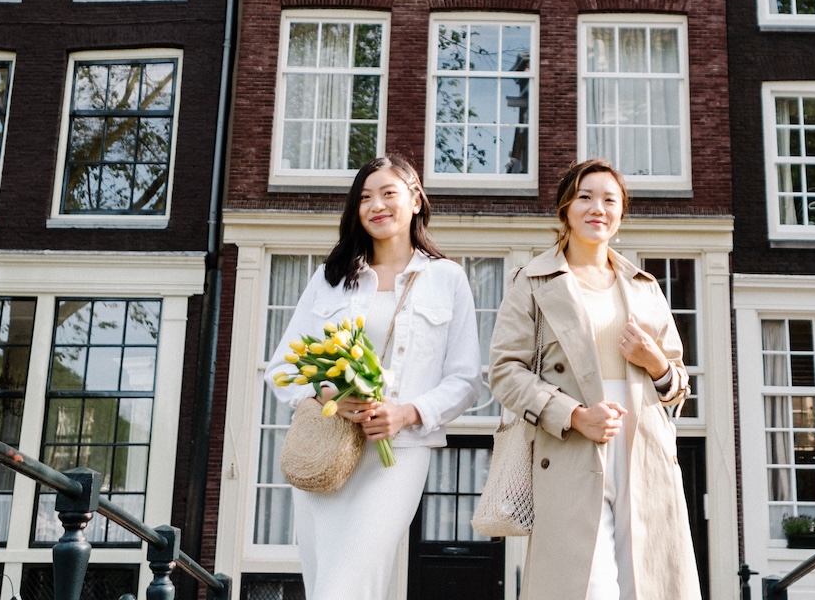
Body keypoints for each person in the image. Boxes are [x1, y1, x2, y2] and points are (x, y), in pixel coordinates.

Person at [263, 153, 480, 600]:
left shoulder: (447, 279)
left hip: (397, 457)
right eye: (364, 197)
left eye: (388, 193)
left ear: (416, 200)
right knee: (328, 583)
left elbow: (464, 380)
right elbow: (282, 368)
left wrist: (406, 413)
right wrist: (328, 395)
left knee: (346, 586)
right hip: (328, 451)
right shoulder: (331, 279)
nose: (376, 205)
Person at [489, 158, 701, 600]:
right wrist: (574, 415)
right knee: (586, 586)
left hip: (644, 447)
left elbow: (678, 385)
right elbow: (505, 372)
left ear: (621, 215)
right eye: (585, 197)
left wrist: (656, 361)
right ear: (566, 208)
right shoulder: (531, 281)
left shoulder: (644, 287)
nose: (596, 208)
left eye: (609, 200)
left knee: (648, 583)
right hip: (571, 444)